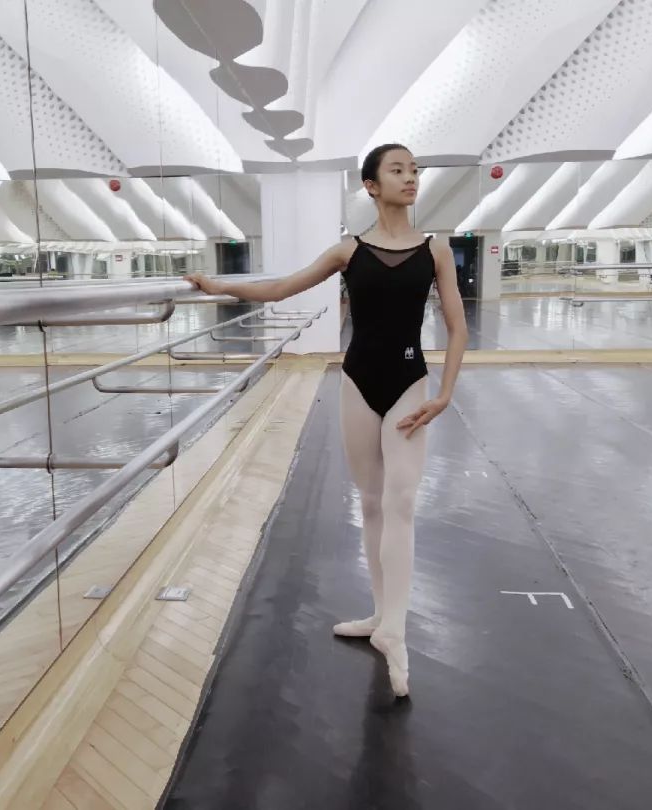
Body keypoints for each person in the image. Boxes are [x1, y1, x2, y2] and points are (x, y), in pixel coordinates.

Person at [187, 144, 468, 697]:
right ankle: (379, 615)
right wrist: (220, 286)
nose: (410, 178)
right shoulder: (348, 251)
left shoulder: (434, 249)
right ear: (371, 185)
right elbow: (279, 288)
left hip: (409, 385)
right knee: (371, 503)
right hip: (357, 383)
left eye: (414, 171)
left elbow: (458, 328)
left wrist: (445, 394)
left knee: (401, 502)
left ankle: (395, 630)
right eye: (397, 170)